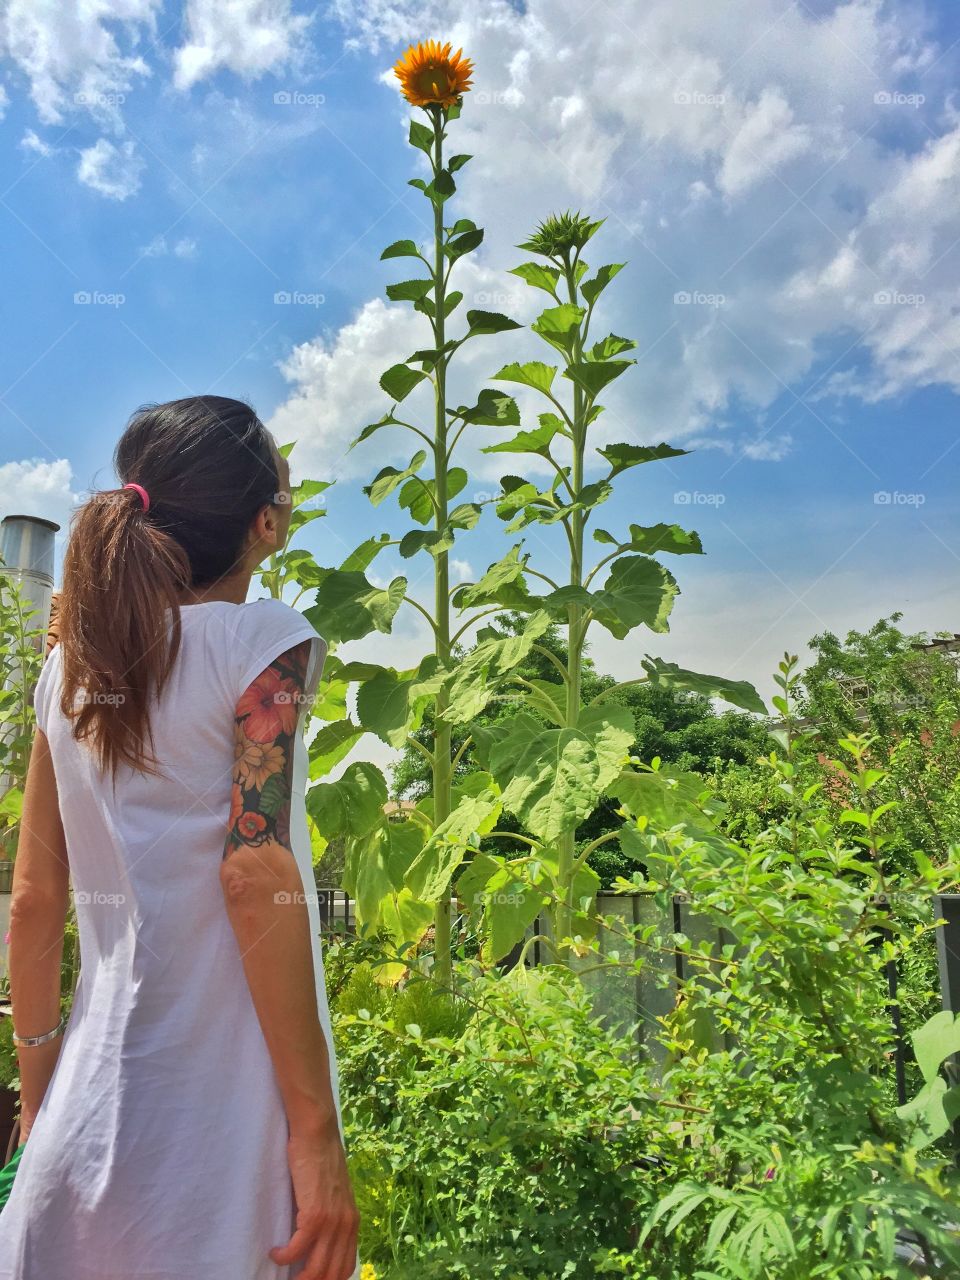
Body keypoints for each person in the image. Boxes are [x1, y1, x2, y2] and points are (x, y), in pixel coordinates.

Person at [0, 396, 360, 1280]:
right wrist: (315, 1135)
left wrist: (39, 1103)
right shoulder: (266, 641)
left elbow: (37, 903)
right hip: (219, 1159)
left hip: (74, 1149)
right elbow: (254, 870)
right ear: (265, 524)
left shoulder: (65, 676)